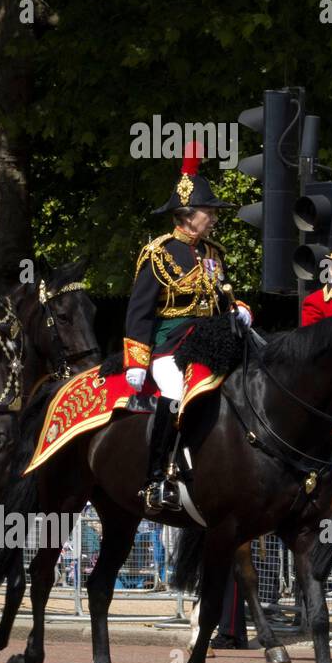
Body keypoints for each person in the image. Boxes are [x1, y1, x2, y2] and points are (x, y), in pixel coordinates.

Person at [124, 146, 252, 513]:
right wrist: (137, 358)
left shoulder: (213, 252)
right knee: (173, 388)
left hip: (212, 337)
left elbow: (224, 296)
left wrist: (240, 311)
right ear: (185, 215)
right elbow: (140, 311)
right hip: (169, 344)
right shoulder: (158, 253)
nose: (213, 218)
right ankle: (156, 477)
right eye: (207, 211)